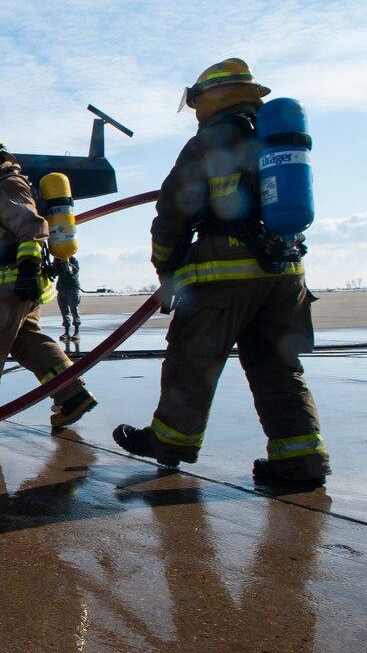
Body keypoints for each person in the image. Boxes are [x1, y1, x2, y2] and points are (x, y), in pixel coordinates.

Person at [112, 58, 329, 487]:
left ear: (209, 99)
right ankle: (302, 461)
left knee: (191, 361)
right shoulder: (271, 139)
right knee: (278, 369)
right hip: (285, 274)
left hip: (223, 276)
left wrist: (166, 269)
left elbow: (172, 214)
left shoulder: (209, 143)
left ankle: (171, 442)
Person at [0, 131, 97, 429]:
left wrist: (27, 269)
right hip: (15, 286)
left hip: (10, 288)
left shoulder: (5, 186)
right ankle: (72, 395)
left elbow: (31, 227)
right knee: (28, 343)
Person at [54, 256, 82, 341]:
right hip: (62, 288)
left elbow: (75, 270)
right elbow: (55, 272)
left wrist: (67, 263)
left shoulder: (73, 260)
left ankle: (76, 332)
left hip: (72, 288)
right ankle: (67, 332)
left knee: (74, 310)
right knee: (64, 311)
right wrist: (56, 263)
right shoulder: (58, 260)